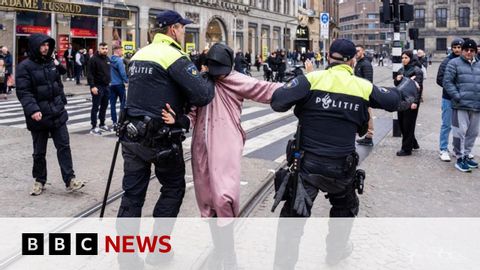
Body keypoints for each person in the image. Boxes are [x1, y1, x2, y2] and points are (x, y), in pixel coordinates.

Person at [270, 39, 416, 267]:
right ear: (352, 60)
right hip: (341, 168)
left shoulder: (312, 79)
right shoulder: (361, 86)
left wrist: (301, 84)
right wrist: (409, 84)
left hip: (307, 167)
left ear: (328, 57)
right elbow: (395, 100)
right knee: (345, 210)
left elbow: (277, 101)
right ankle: (335, 255)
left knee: (292, 221)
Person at [162, 43, 282, 218]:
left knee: (224, 195)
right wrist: (178, 120)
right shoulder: (201, 82)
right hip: (201, 144)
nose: (219, 75)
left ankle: (226, 237)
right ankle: (217, 235)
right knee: (204, 194)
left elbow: (265, 89)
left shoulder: (238, 80)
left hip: (226, 142)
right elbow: (192, 114)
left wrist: (299, 85)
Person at [117, 9, 214, 219]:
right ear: (173, 29)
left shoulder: (139, 53)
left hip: (131, 135)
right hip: (161, 138)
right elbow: (203, 95)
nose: (184, 32)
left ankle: (126, 251)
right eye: (182, 28)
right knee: (173, 188)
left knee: (132, 196)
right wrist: (206, 75)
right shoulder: (173, 55)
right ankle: (159, 250)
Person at [16, 34, 85, 195]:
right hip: (38, 116)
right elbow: (24, 91)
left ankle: (70, 180)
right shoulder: (24, 66)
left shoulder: (50, 63)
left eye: (48, 45)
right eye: (42, 45)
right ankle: (39, 180)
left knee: (64, 147)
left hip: (57, 113)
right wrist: (33, 109)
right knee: (39, 152)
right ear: (34, 46)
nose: (46, 48)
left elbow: (58, 84)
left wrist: (62, 101)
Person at [443, 39, 480, 172]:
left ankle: (466, 155)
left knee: (473, 133)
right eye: (466, 50)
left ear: (475, 52)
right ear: (463, 51)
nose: (469, 53)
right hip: (461, 105)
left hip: (476, 105)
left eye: (472, 50)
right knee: (460, 133)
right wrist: (458, 96)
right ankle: (459, 158)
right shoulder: (454, 63)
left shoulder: (479, 64)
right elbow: (447, 82)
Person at [436, 38, 464, 162]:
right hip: (448, 98)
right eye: (455, 47)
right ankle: (443, 149)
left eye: (459, 47)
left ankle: (457, 149)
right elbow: (439, 78)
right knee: (446, 124)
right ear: (451, 48)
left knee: (460, 126)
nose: (457, 49)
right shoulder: (446, 61)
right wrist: (452, 89)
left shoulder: (467, 61)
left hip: (462, 99)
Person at [394, 50, 423, 156]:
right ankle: (413, 143)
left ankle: (406, 149)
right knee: (402, 124)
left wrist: (415, 102)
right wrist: (397, 79)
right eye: (402, 58)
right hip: (401, 100)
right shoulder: (401, 70)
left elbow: (419, 88)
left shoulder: (417, 71)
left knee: (408, 125)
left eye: (406, 58)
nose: (403, 60)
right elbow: (398, 85)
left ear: (411, 58)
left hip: (411, 101)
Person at [87, 42, 111, 135]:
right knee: (95, 107)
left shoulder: (107, 59)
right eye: (103, 48)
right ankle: (93, 126)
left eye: (106, 48)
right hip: (97, 86)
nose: (105, 50)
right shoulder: (93, 59)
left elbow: (107, 72)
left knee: (104, 106)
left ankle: (102, 124)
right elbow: (90, 74)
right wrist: (92, 86)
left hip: (106, 86)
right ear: (99, 49)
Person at [354, 45, 374, 146]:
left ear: (363, 51)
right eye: (355, 51)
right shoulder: (359, 63)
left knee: (368, 114)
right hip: (359, 93)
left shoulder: (365, 64)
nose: (356, 53)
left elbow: (368, 81)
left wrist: (365, 94)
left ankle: (369, 136)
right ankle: (365, 135)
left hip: (365, 94)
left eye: (358, 51)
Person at [109, 44, 128, 130]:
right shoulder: (119, 61)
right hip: (119, 84)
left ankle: (114, 122)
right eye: (121, 50)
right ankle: (121, 121)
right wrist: (127, 81)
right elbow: (123, 73)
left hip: (111, 85)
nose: (122, 52)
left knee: (112, 104)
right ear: (117, 50)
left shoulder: (109, 60)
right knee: (123, 104)